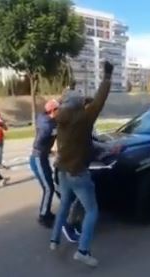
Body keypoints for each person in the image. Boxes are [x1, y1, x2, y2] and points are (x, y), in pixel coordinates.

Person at [50, 61, 114, 267]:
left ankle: (54, 240)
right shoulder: (84, 118)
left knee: (65, 204)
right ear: (80, 105)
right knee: (92, 211)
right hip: (78, 172)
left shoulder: (61, 118)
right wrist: (107, 77)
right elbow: (99, 100)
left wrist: (74, 94)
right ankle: (83, 251)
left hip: (62, 169)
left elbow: (75, 101)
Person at [29, 99, 60, 228]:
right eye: (59, 109)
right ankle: (43, 216)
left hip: (41, 156)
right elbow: (40, 143)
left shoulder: (46, 119)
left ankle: (46, 212)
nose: (61, 111)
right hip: (38, 158)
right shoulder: (48, 124)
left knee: (48, 187)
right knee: (48, 188)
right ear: (52, 111)